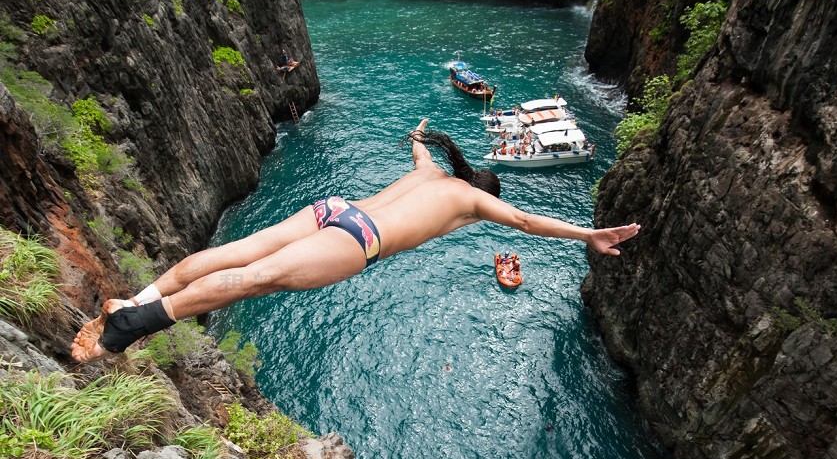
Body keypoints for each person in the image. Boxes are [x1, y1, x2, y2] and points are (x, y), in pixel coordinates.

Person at [71, 119, 640, 362]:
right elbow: (525, 223)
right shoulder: (472, 201)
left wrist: (420, 135)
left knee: (228, 255)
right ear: (481, 195)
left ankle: (138, 299)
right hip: (359, 239)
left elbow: (418, 143)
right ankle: (127, 329)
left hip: (333, 208)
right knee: (251, 279)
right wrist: (587, 232)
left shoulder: (429, 171)